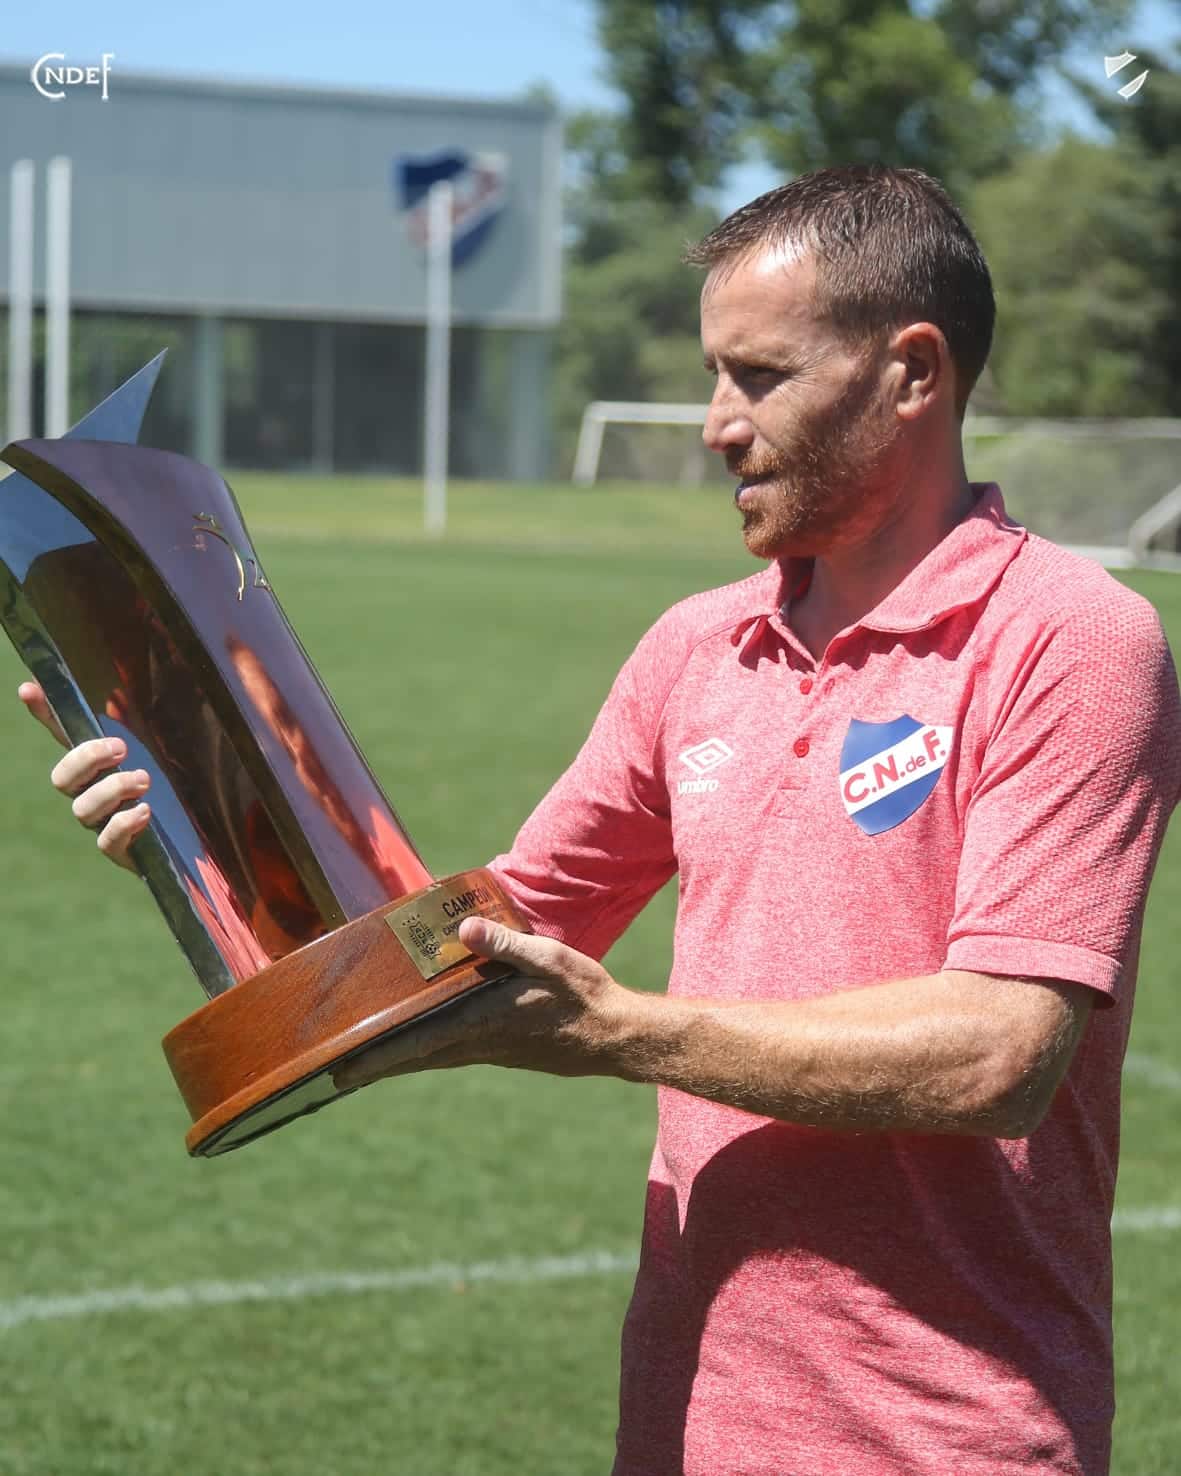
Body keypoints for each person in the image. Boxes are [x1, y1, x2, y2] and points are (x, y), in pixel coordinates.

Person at [22, 165, 1181, 1476]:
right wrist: (203, 823)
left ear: (910, 372)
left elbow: (999, 1054)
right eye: (711, 375)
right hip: (687, 1416)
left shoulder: (1069, 640)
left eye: (757, 375)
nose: (713, 424)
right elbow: (462, 943)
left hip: (948, 1436)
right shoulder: (694, 651)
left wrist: (625, 1032)